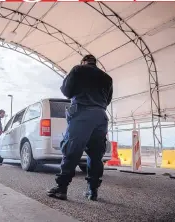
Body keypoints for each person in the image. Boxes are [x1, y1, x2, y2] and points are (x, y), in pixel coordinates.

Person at [47, 54, 113, 201]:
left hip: (82, 113)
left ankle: (61, 188)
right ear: (95, 63)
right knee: (96, 155)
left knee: (71, 150)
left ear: (84, 62)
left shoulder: (78, 70)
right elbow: (107, 100)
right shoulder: (107, 78)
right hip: (101, 117)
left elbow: (66, 91)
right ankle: (92, 191)